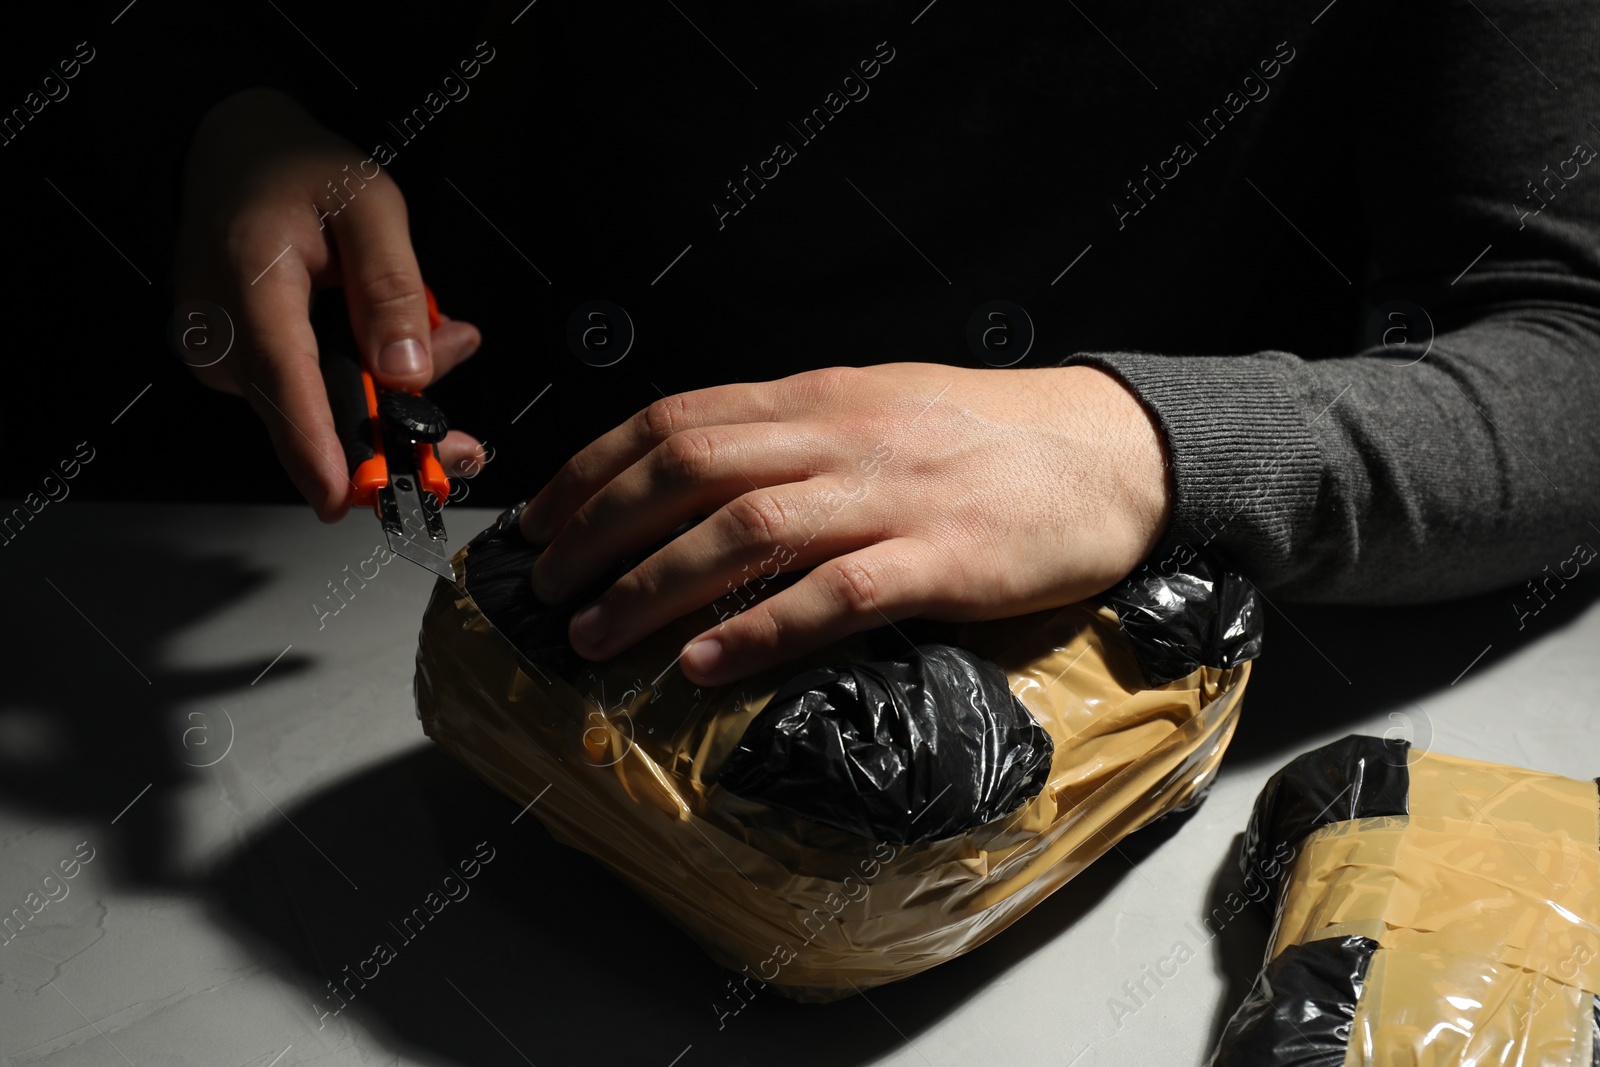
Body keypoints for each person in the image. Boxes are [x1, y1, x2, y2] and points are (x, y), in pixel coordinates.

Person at [164, 1, 1599, 688]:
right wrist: (238, 120)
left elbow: (1571, 351)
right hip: (502, 627)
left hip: (1121, 684)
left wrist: (1141, 445)